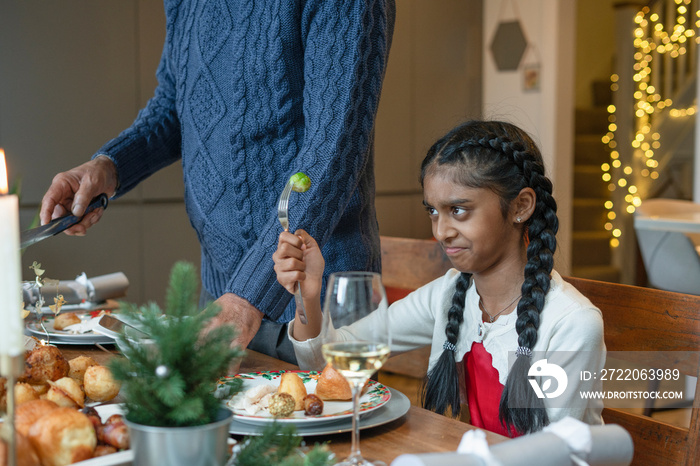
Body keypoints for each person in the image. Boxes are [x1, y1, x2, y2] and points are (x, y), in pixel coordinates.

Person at [38, 1, 396, 364]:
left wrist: (248, 298)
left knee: (334, 419)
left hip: (320, 305)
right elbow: (172, 108)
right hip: (220, 302)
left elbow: (334, 148)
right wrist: (108, 167)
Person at [273, 120, 606, 437]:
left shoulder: (572, 323)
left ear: (521, 205)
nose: (441, 232)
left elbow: (558, 452)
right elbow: (330, 363)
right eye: (433, 211)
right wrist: (310, 296)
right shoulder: (448, 294)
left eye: (458, 210)